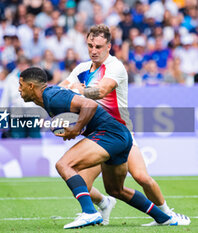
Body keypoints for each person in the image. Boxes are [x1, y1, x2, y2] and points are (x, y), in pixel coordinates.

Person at [18, 67, 186, 229]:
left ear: (31, 86)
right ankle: (164, 218)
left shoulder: (52, 96)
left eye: (21, 84)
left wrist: (76, 129)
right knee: (115, 189)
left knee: (64, 165)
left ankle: (89, 212)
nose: (19, 89)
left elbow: (89, 105)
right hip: (120, 136)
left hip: (109, 134)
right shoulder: (50, 98)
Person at [59, 24, 190, 226]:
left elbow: (101, 91)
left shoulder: (115, 67)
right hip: (98, 136)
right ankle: (104, 202)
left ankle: (168, 214)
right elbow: (62, 89)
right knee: (84, 184)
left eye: (99, 46)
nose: (94, 50)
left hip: (120, 132)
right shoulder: (81, 69)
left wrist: (79, 91)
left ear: (109, 46)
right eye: (90, 45)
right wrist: (65, 91)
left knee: (141, 176)